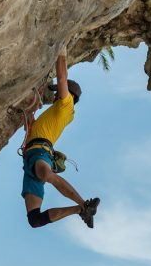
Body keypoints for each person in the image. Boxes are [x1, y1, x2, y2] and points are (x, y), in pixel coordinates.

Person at [21, 50, 100, 229]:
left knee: (48, 175)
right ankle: (80, 210)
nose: (55, 96)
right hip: (31, 157)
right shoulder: (58, 113)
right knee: (35, 220)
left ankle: (84, 204)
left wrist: (61, 51)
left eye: (58, 93)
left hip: (40, 151)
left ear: (69, 95)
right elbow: (30, 127)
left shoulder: (66, 105)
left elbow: (62, 78)